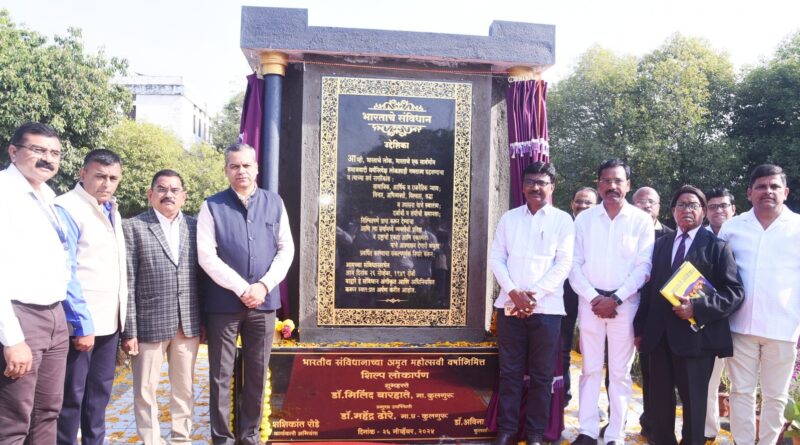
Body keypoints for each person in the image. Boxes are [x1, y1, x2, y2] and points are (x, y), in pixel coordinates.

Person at [198, 143, 294, 445]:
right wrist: (242, 288)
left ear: (256, 168)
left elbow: (286, 249)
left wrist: (263, 286)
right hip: (224, 305)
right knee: (220, 375)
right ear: (226, 169)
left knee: (256, 374)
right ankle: (222, 439)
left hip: (264, 305)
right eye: (234, 166)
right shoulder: (211, 206)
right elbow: (206, 256)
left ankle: (250, 436)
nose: (241, 171)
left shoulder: (274, 203)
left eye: (246, 165)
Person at [634, 185, 744, 445]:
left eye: (693, 205)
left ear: (704, 212)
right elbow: (647, 291)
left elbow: (734, 292)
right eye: (681, 205)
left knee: (695, 406)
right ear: (672, 211)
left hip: (696, 340)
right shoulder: (659, 245)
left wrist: (698, 308)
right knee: (658, 403)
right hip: (658, 339)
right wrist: (639, 329)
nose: (687, 209)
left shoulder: (717, 247)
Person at [0, 122, 79, 443]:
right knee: (14, 418)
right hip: (21, 316)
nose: (48, 159)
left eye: (55, 153)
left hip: (54, 314)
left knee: (48, 410)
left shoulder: (47, 194)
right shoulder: (5, 194)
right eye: (38, 150)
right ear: (14, 151)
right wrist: (12, 339)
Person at [569, 158, 654, 445]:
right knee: (590, 369)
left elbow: (644, 268)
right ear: (599, 184)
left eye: (618, 181)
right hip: (590, 303)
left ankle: (615, 434)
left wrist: (615, 298)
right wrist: (595, 298)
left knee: (620, 372)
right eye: (606, 180)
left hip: (625, 305)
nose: (612, 186)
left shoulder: (641, 222)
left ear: (628, 185)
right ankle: (588, 430)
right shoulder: (584, 220)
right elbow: (574, 264)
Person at [490, 162, 574, 445]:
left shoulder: (563, 220)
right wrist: (514, 292)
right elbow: (497, 259)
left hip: (547, 310)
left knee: (541, 375)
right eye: (530, 182)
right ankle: (507, 430)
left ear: (552, 187)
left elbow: (563, 264)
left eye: (542, 182)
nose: (535, 187)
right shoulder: (509, 219)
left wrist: (533, 295)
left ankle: (536, 433)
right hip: (509, 306)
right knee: (510, 372)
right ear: (523, 185)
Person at [718, 164, 800, 445]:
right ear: (749, 192)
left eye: (775, 186)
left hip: (784, 326)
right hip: (740, 325)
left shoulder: (798, 228)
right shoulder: (733, 227)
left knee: (776, 395)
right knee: (741, 392)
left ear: (785, 192)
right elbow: (716, 272)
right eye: (761, 186)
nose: (768, 191)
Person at [121, 170, 203, 445]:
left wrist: (203, 321)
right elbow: (128, 281)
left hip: (187, 323)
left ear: (184, 196)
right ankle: (152, 440)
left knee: (184, 388)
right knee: (145, 390)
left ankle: (181, 438)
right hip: (148, 324)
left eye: (174, 190)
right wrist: (128, 330)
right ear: (151, 194)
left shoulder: (195, 226)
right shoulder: (132, 227)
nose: (168, 194)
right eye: (162, 189)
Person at [55, 149, 127, 445]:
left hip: (109, 322)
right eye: (99, 176)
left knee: (99, 397)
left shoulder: (111, 209)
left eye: (113, 178)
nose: (106, 183)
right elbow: (67, 270)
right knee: (71, 398)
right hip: (79, 325)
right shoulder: (66, 207)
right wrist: (82, 325)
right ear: (83, 173)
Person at [631, 185, 674, 438]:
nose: (646, 206)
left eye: (651, 202)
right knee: (616, 370)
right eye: (640, 201)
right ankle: (619, 420)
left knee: (655, 375)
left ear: (659, 207)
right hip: (621, 308)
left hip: (655, 318)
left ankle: (653, 424)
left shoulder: (670, 237)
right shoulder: (624, 232)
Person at [702, 187, 737, 443]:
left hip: (745, 320)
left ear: (733, 209)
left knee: (742, 387)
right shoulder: (698, 239)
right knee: (709, 382)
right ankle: (708, 431)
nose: (718, 211)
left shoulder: (745, 234)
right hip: (710, 320)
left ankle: (742, 436)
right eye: (712, 206)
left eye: (723, 205)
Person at [561, 187, 599, 404]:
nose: (583, 206)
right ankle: (563, 394)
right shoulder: (562, 225)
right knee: (563, 345)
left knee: (593, 351)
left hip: (592, 295)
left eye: (588, 203)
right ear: (572, 204)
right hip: (565, 294)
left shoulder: (601, 228)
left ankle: (593, 403)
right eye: (579, 202)